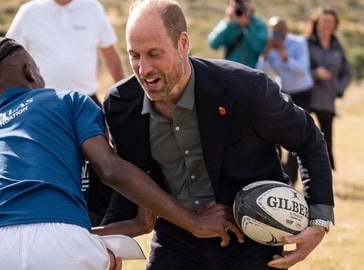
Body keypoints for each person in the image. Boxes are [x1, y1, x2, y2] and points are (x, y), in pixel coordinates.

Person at [0, 37, 240, 270]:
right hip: (63, 246)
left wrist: (128, 226)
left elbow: (26, 226)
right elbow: (110, 169)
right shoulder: (68, 101)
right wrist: (193, 221)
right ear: (30, 72)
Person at [100, 1, 335, 269]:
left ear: (183, 43)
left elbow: (308, 139)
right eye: (134, 55)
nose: (143, 69)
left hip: (251, 241)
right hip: (175, 239)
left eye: (154, 54)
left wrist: (319, 221)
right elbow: (128, 181)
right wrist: (107, 243)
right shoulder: (120, 105)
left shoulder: (246, 89)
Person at [0, 0, 126, 225]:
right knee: (50, 170)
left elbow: (110, 54)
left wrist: (127, 96)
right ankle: (49, 224)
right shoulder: (30, 12)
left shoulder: (92, 8)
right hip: (39, 111)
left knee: (99, 175)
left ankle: (94, 228)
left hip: (86, 102)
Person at [256, 16, 314, 185]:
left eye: (279, 29)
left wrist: (285, 56)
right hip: (285, 92)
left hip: (303, 91)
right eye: (273, 30)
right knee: (277, 135)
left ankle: (294, 176)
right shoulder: (269, 46)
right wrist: (265, 55)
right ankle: (282, 175)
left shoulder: (299, 43)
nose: (276, 33)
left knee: (299, 134)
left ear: (286, 30)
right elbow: (260, 73)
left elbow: (303, 69)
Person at [307, 7, 352, 171]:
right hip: (307, 97)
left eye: (330, 22)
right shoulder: (305, 43)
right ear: (316, 23)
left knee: (327, 139)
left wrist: (338, 89)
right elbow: (298, 68)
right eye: (324, 21)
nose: (327, 25)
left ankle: (327, 174)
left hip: (327, 99)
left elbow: (347, 72)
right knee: (299, 136)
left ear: (335, 25)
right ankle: (291, 176)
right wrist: (314, 73)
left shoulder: (337, 46)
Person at [207, 0, 268, 68]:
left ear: (249, 3)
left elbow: (261, 48)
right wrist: (228, 23)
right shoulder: (227, 24)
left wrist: (248, 27)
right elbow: (213, 44)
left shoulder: (259, 24)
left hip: (253, 71)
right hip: (231, 70)